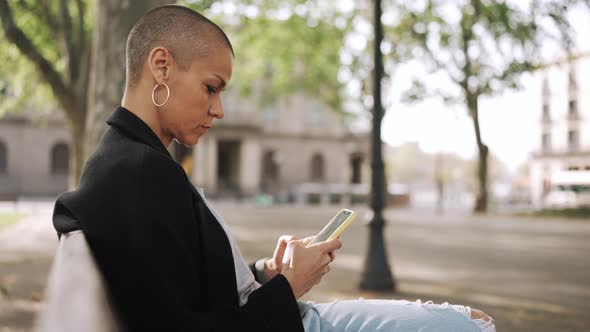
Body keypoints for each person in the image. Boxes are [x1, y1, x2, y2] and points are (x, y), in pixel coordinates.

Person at [52, 5, 495, 332]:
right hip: (290, 324)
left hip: (284, 316)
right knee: (471, 326)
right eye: (211, 88)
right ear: (161, 65)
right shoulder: (138, 173)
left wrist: (266, 271)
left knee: (466, 321)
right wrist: (289, 286)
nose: (219, 109)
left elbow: (186, 285)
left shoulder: (134, 161)